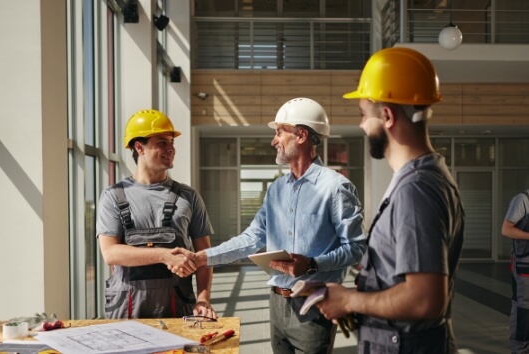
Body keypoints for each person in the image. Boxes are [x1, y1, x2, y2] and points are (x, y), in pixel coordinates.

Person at [173, 97, 367, 354]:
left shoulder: (335, 187)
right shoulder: (276, 190)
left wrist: (312, 264)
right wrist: (201, 258)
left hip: (314, 305)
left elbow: (356, 248)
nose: (273, 140)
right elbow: (251, 238)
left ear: (301, 135)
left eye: (279, 132)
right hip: (276, 303)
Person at [316, 47, 465, 354]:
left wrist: (349, 300)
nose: (360, 125)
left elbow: (424, 299)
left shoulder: (416, 189)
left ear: (386, 116)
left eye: (362, 114)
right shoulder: (421, 179)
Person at [95, 109, 217, 319]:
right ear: (139, 147)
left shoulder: (188, 196)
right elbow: (110, 254)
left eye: (172, 142)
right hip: (127, 311)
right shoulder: (114, 196)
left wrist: (203, 298)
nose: (171, 149)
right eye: (162, 142)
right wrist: (163, 255)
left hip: (178, 307)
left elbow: (205, 256)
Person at [502, 189, 529, 353]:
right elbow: (506, 229)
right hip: (525, 269)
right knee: (523, 312)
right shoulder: (522, 200)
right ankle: (520, 350)